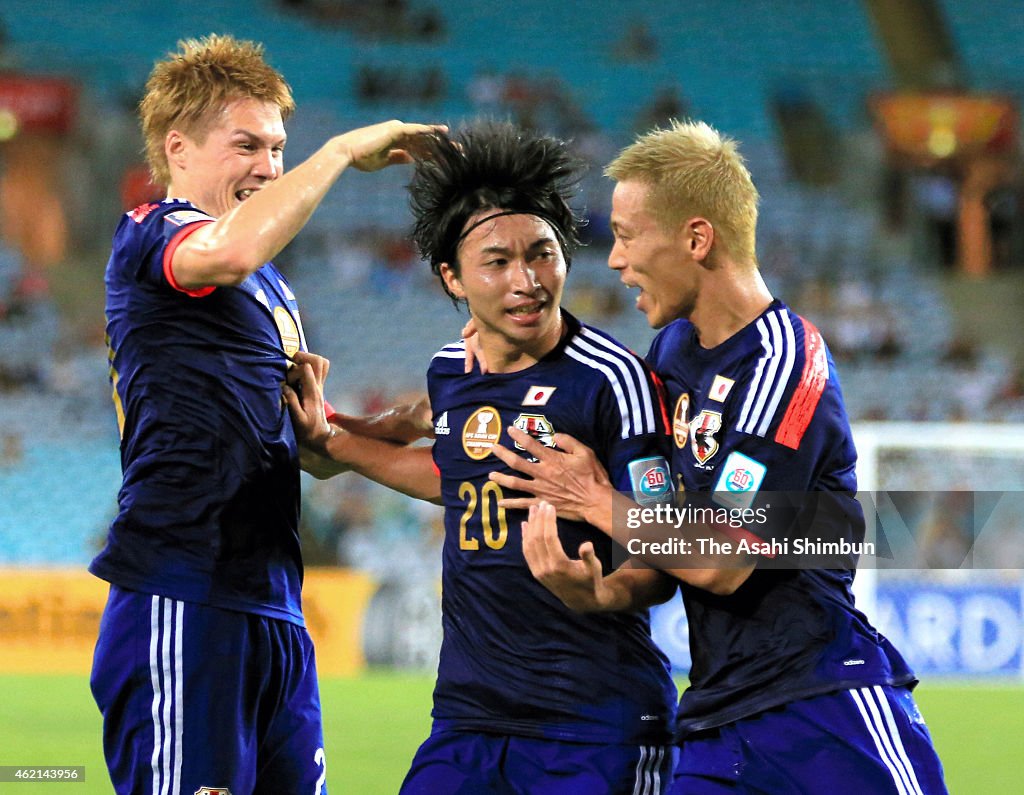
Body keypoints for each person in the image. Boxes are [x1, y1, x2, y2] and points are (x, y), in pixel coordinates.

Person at [487, 120, 949, 794]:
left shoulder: (785, 362)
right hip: (715, 723)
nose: (613, 260)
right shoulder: (669, 355)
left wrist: (592, 498)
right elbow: (660, 540)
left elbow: (722, 558)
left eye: (626, 234)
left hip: (823, 706)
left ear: (697, 238)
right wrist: (600, 589)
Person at [88, 33, 441, 795]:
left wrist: (372, 430)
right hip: (183, 589)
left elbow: (303, 444)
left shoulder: (270, 288)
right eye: (247, 144)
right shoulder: (153, 232)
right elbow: (230, 251)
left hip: (272, 600)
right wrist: (342, 151)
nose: (269, 167)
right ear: (178, 148)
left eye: (280, 147)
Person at [286, 120, 679, 794]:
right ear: (453, 279)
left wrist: (600, 590)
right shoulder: (451, 371)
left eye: (543, 254)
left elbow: (669, 545)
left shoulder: (614, 381)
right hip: (469, 719)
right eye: (498, 262)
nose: (527, 280)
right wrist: (336, 441)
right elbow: (457, 475)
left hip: (596, 720)